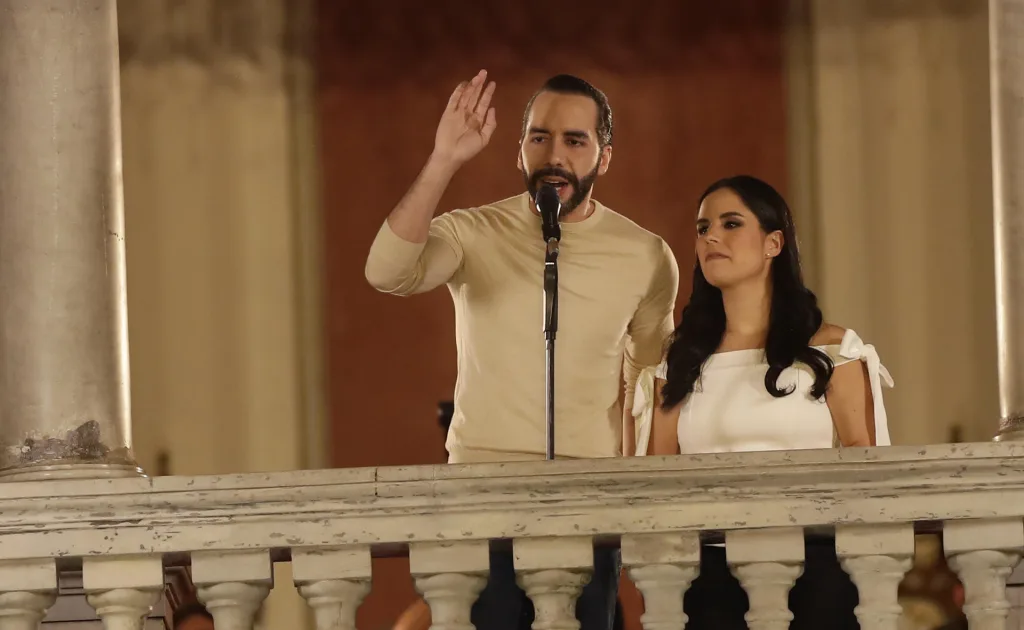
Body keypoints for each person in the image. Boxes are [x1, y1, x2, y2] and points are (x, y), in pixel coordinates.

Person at [365, 71, 678, 630]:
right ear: (520, 150)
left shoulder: (647, 256)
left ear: (604, 157)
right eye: (540, 137)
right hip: (481, 504)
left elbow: (650, 382)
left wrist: (636, 494)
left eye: (575, 140)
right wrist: (443, 159)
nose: (555, 154)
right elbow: (386, 272)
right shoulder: (474, 232)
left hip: (587, 510)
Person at [631, 175, 894, 628]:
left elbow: (864, 463)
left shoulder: (832, 350)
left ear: (773, 243)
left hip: (817, 568)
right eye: (702, 228)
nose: (711, 236)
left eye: (731, 223)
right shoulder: (679, 360)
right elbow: (661, 475)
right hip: (710, 575)